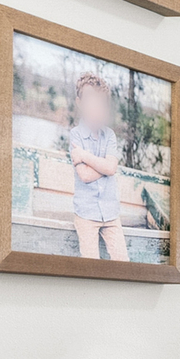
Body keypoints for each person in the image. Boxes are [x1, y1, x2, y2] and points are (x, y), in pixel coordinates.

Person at [66, 74, 129, 261]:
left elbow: (111, 168)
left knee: (123, 262)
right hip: (86, 214)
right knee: (90, 263)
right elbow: (84, 175)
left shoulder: (109, 136)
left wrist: (85, 156)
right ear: (80, 103)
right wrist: (104, 165)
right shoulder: (76, 135)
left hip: (111, 214)